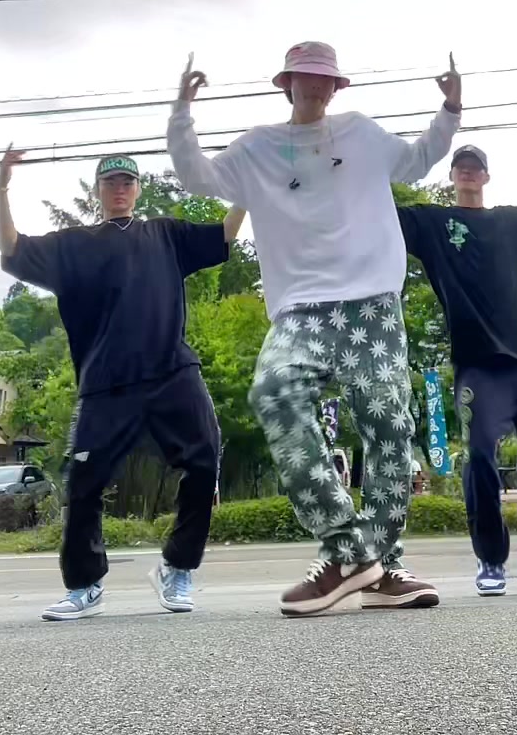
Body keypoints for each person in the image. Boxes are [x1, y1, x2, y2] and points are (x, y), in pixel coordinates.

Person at [168, 40, 461, 616]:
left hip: (371, 302)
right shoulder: (257, 148)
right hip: (300, 308)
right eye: (306, 77)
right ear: (287, 84)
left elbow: (418, 159)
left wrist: (449, 111)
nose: (317, 87)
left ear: (337, 87)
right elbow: (197, 177)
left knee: (387, 420)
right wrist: (182, 115)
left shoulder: (362, 133)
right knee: (273, 390)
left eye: (327, 79)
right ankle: (351, 550)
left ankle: (380, 567)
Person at [0, 147, 243, 622]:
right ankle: (84, 586)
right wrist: (3, 188)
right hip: (106, 384)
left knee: (204, 459)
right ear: (99, 191)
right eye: (111, 182)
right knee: (83, 482)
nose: (120, 189)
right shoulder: (72, 246)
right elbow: (12, 248)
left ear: (138, 189)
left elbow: (224, 234)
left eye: (127, 182)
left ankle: (177, 567)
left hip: (172, 371)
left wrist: (248, 191)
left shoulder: (166, 234)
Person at [397, 137, 517, 597]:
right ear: (452, 177)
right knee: (481, 457)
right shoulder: (433, 223)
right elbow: (376, 210)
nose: (468, 172)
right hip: (477, 365)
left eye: (475, 166)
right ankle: (490, 561)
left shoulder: (508, 221)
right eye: (461, 166)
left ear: (486, 176)